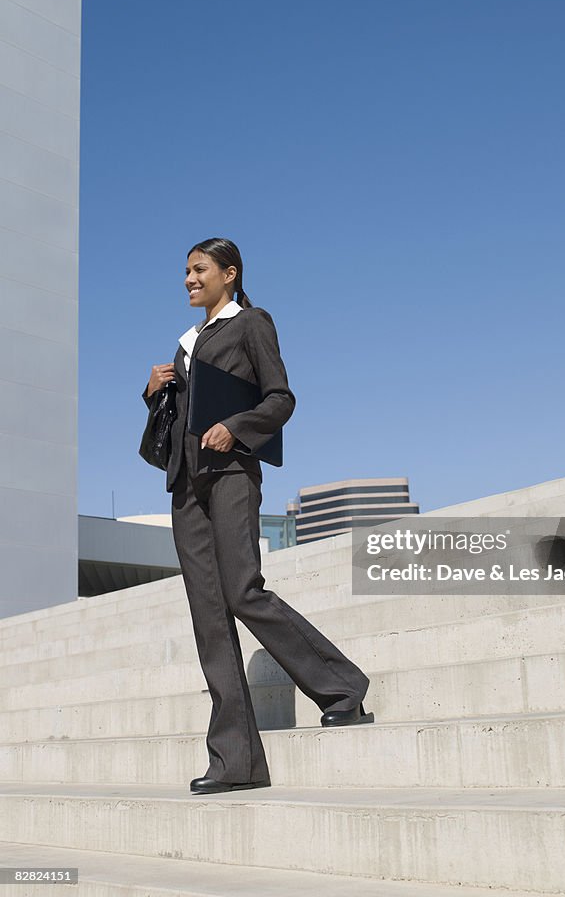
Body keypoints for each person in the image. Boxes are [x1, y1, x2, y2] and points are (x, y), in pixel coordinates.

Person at [142, 237, 373, 795]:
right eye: (186, 272)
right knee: (208, 615)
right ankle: (235, 762)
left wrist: (237, 427)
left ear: (229, 273)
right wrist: (153, 393)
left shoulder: (252, 324)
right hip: (185, 485)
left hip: (230, 475)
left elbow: (280, 398)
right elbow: (180, 414)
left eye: (199, 270)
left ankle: (342, 687)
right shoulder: (187, 343)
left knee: (243, 591)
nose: (189, 280)